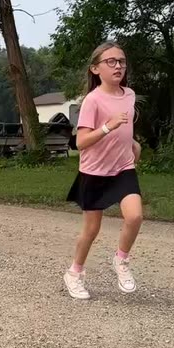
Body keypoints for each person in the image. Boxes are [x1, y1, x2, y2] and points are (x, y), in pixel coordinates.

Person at [63, 42, 143, 300]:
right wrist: (108, 127)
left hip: (123, 167)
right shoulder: (92, 100)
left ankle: (121, 259)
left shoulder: (129, 95)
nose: (118, 66)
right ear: (95, 69)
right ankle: (74, 273)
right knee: (91, 230)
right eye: (111, 61)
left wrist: (133, 144)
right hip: (95, 172)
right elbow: (81, 142)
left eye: (121, 61)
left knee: (135, 216)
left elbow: (125, 128)